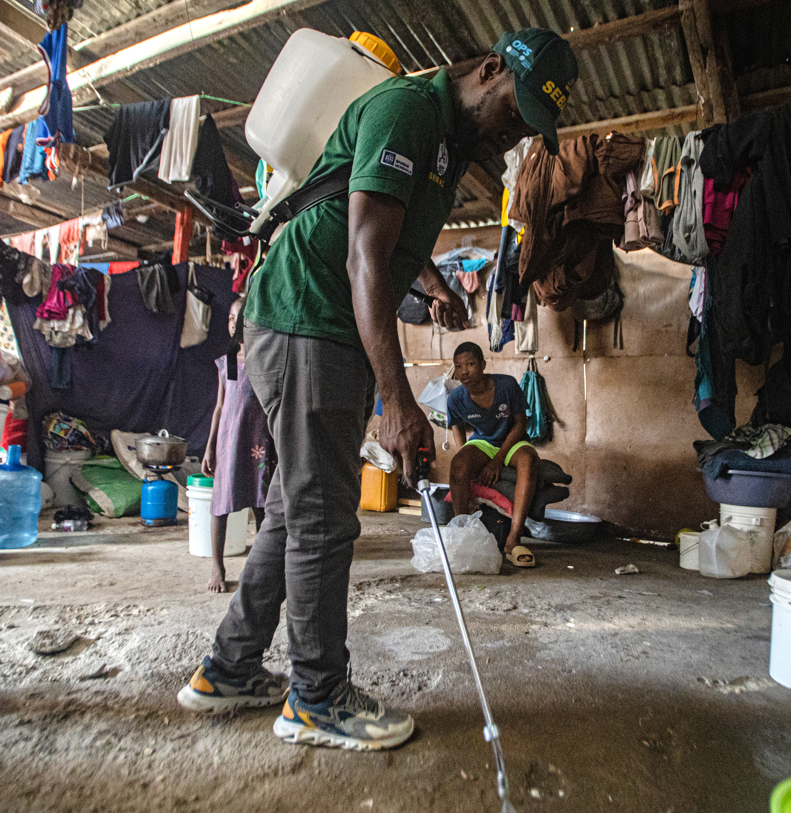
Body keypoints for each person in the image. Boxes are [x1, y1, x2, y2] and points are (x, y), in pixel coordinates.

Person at [177, 28, 578, 751]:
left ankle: (228, 668)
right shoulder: (407, 110)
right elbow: (365, 253)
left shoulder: (447, 146)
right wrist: (398, 402)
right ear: (490, 71)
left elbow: (392, 242)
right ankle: (317, 696)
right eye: (515, 111)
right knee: (325, 521)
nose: (515, 131)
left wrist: (432, 282)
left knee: (292, 512)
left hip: (320, 329)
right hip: (308, 319)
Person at [200, 299, 273, 593]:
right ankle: (218, 567)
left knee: (262, 504)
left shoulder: (264, 360)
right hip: (229, 441)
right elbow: (219, 407)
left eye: (238, 317)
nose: (233, 322)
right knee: (220, 505)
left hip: (258, 441)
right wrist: (209, 447)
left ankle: (262, 567)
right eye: (229, 317)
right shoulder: (226, 361)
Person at [447, 342, 540, 567]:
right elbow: (456, 426)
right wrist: (465, 456)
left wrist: (498, 460)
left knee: (529, 461)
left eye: (470, 364)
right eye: (458, 367)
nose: (464, 371)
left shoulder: (506, 385)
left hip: (513, 441)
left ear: (482, 365)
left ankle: (513, 540)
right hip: (483, 443)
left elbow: (520, 424)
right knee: (458, 465)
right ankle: (463, 532)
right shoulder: (456, 398)